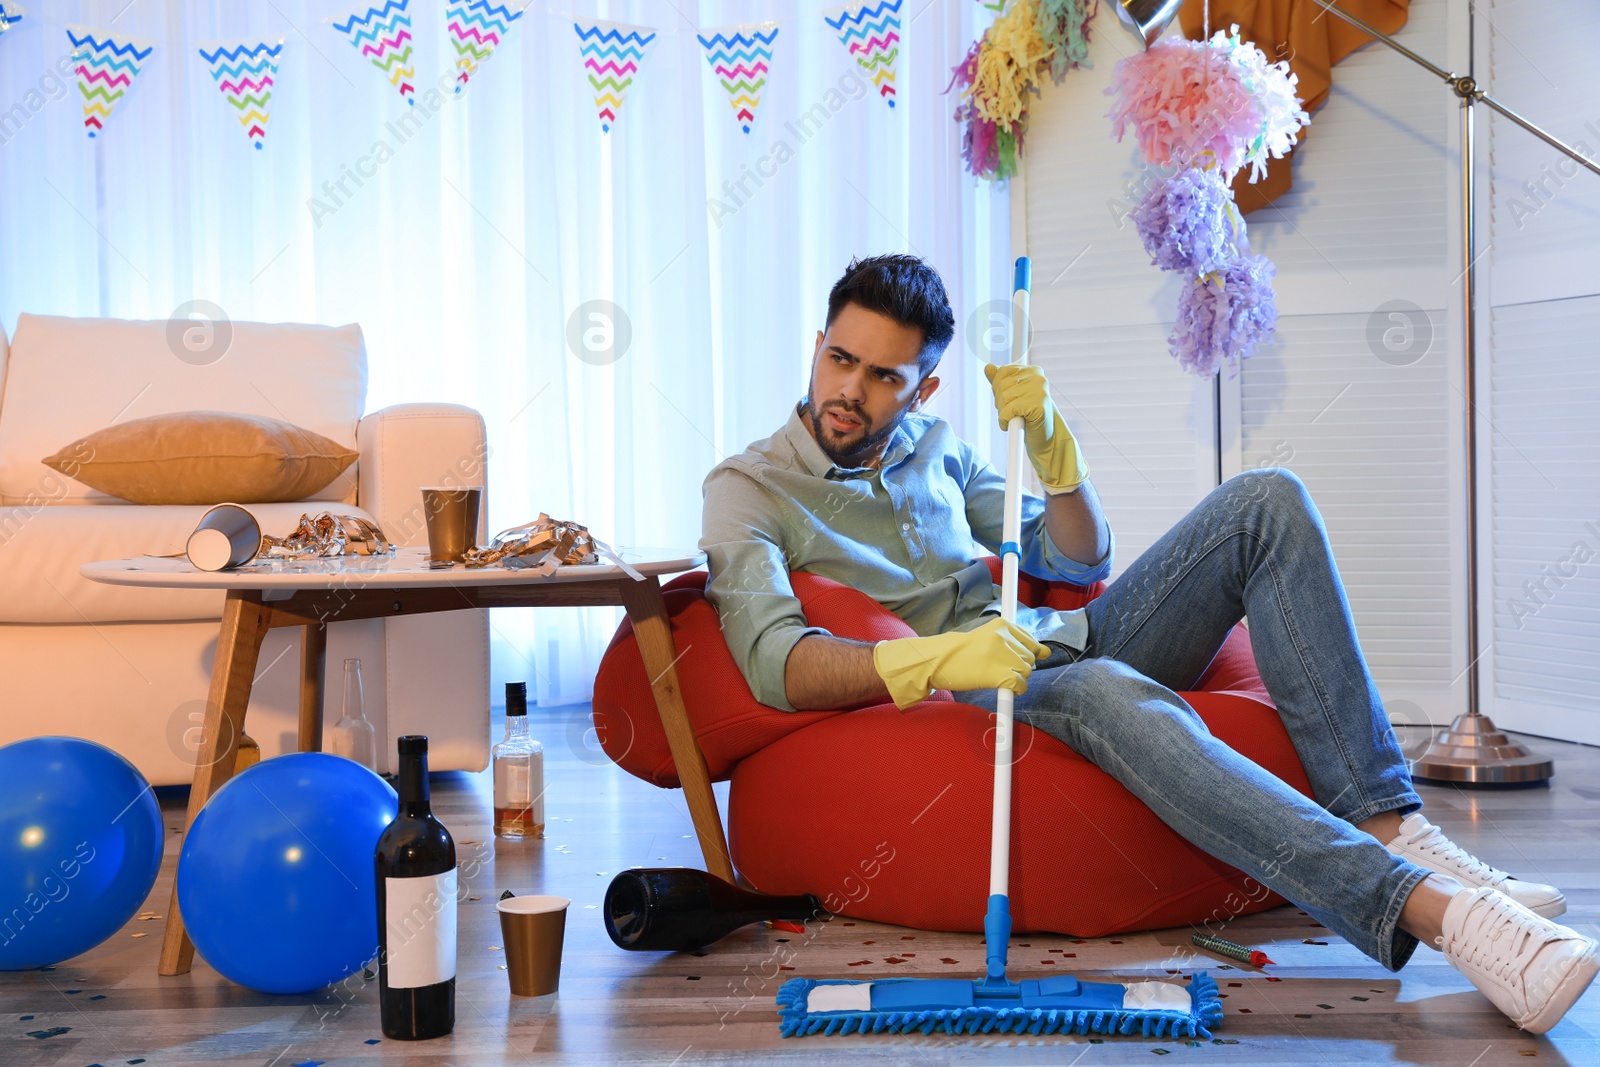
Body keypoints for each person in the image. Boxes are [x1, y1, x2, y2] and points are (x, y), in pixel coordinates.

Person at [698, 254, 1597, 1034]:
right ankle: (1441, 916)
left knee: (1265, 500)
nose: (850, 390)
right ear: (818, 343)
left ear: (924, 386)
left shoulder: (935, 444)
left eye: (885, 375)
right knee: (1109, 692)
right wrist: (939, 661)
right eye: (841, 358)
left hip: (1067, 639)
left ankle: (1394, 826)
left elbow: (1075, 557)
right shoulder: (750, 489)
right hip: (971, 691)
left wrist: (1058, 456)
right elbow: (778, 667)